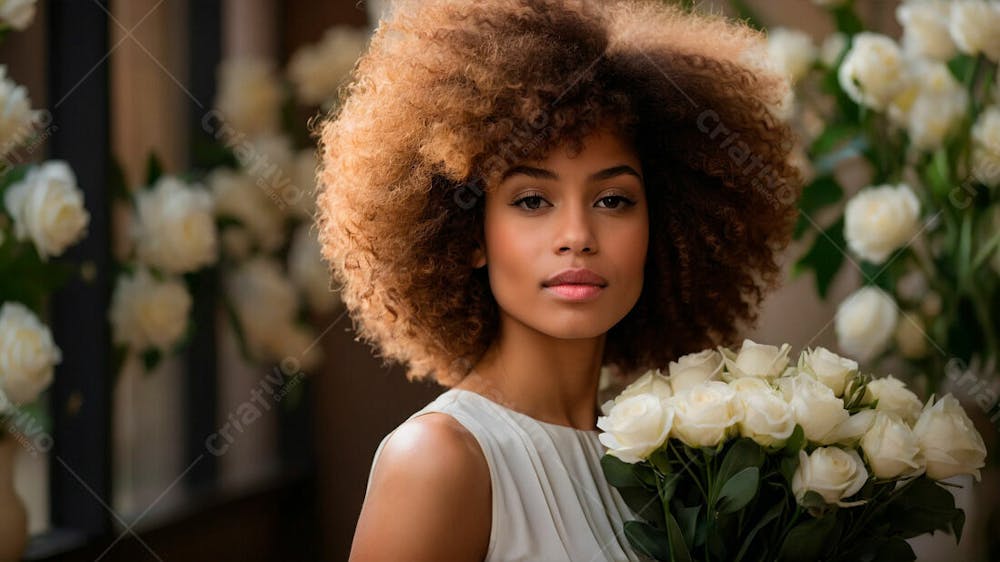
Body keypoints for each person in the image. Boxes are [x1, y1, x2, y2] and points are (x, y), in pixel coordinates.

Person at [314, 0, 802, 560]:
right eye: (531, 200)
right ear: (470, 234)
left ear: (663, 227)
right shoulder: (439, 459)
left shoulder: (662, 464)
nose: (577, 235)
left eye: (613, 199)